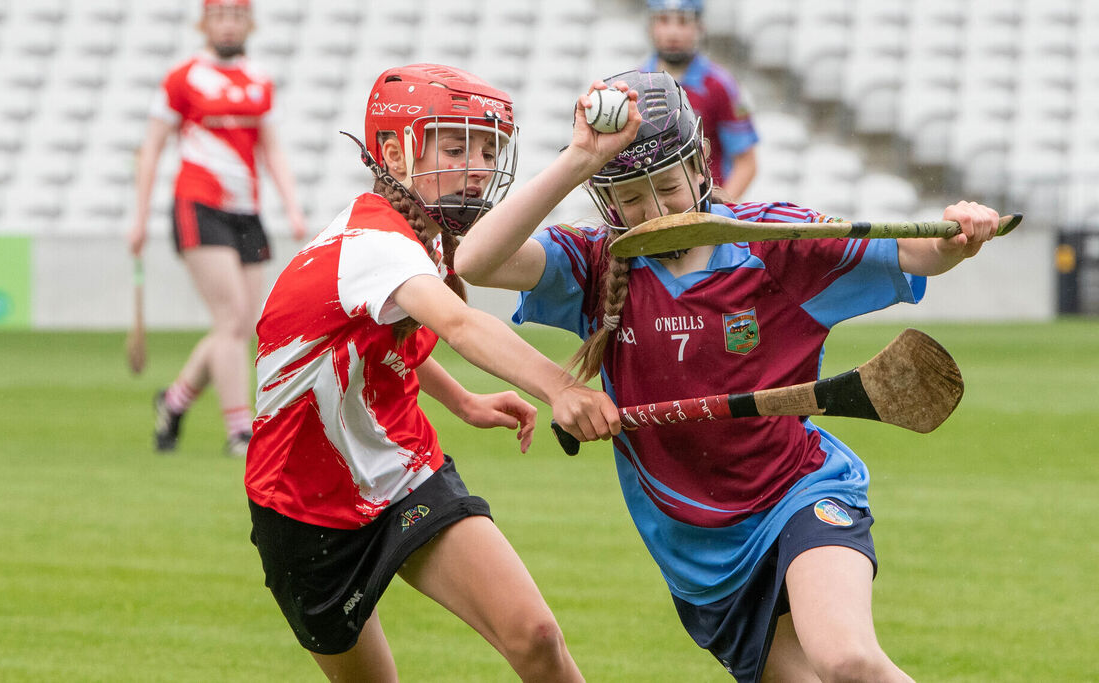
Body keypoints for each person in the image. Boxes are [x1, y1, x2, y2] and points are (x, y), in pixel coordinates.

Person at [454, 70, 1001, 682]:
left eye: (667, 187)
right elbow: (475, 261)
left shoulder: (772, 242)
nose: (655, 211)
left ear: (699, 166)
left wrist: (959, 240)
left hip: (799, 490)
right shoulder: (593, 264)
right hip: (696, 551)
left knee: (848, 661)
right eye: (631, 197)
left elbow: (916, 253)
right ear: (605, 200)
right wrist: (581, 158)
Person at [245, 63, 621, 682]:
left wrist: (463, 401)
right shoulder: (373, 244)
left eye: (487, 149)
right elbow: (461, 325)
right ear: (394, 153)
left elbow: (388, 344)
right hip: (302, 506)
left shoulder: (423, 238)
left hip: (404, 473)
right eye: (455, 146)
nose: (477, 166)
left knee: (536, 637)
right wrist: (559, 386)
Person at [127, 0, 307, 456]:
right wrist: (139, 216)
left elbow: (272, 150)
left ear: (249, 23)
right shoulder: (183, 77)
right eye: (220, 15)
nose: (228, 23)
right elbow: (150, 149)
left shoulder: (260, 81)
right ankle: (239, 432)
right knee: (229, 319)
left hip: (246, 211)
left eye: (237, 15)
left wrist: (292, 206)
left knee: (242, 325)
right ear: (205, 22)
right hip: (198, 204)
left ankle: (173, 401)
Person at [643, 0, 758, 200]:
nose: (673, 33)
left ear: (700, 27)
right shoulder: (637, 84)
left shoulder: (722, 85)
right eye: (663, 20)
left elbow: (746, 163)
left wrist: (719, 210)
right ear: (651, 26)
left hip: (706, 212)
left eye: (683, 22)